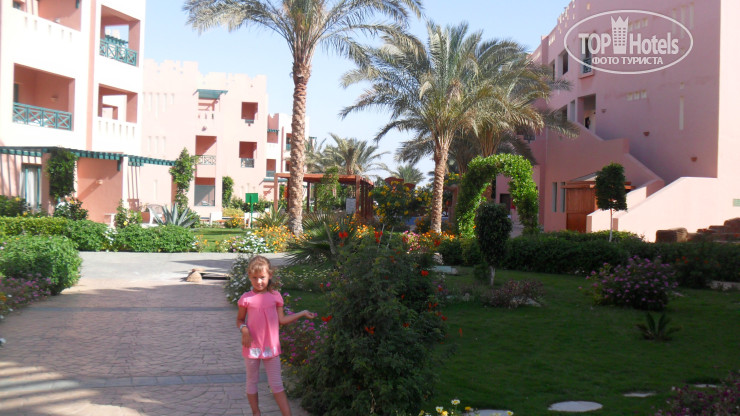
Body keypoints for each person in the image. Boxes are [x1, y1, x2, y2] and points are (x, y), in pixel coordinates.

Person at [236, 255, 316, 416]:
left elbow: (282, 320)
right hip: (252, 347)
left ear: (270, 275)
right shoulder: (246, 299)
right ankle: (256, 413)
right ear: (249, 276)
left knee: (277, 385)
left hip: (271, 348)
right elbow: (239, 320)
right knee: (251, 382)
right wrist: (244, 329)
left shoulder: (275, 297)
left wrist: (301, 313)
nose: (259, 281)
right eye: (254, 278)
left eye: (262, 277)